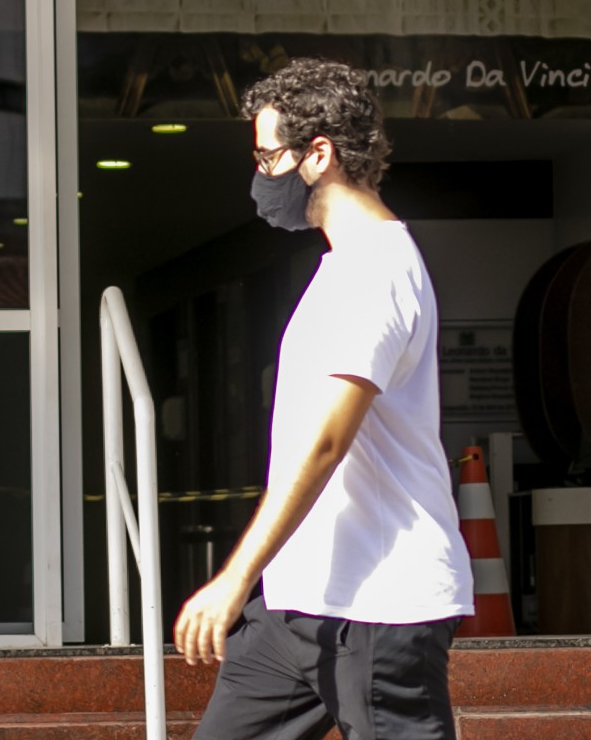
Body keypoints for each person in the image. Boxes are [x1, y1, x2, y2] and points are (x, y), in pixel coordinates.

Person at [174, 58, 473, 740]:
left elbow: (326, 443)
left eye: (267, 155)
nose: (260, 176)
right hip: (297, 606)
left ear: (319, 154)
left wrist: (231, 579)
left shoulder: (375, 270)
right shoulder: (341, 267)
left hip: (381, 605)